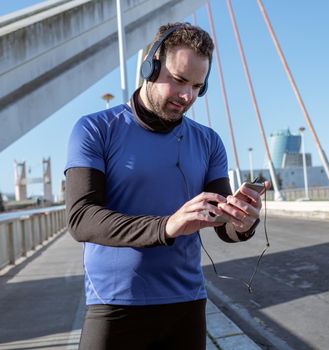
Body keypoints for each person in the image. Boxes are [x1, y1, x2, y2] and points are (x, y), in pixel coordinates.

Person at [65, 22, 269, 349]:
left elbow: (222, 224)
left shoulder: (208, 141)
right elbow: (82, 218)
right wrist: (167, 226)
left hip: (186, 304)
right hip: (114, 303)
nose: (187, 95)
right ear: (151, 66)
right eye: (178, 80)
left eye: (197, 86)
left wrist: (242, 221)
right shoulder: (94, 129)